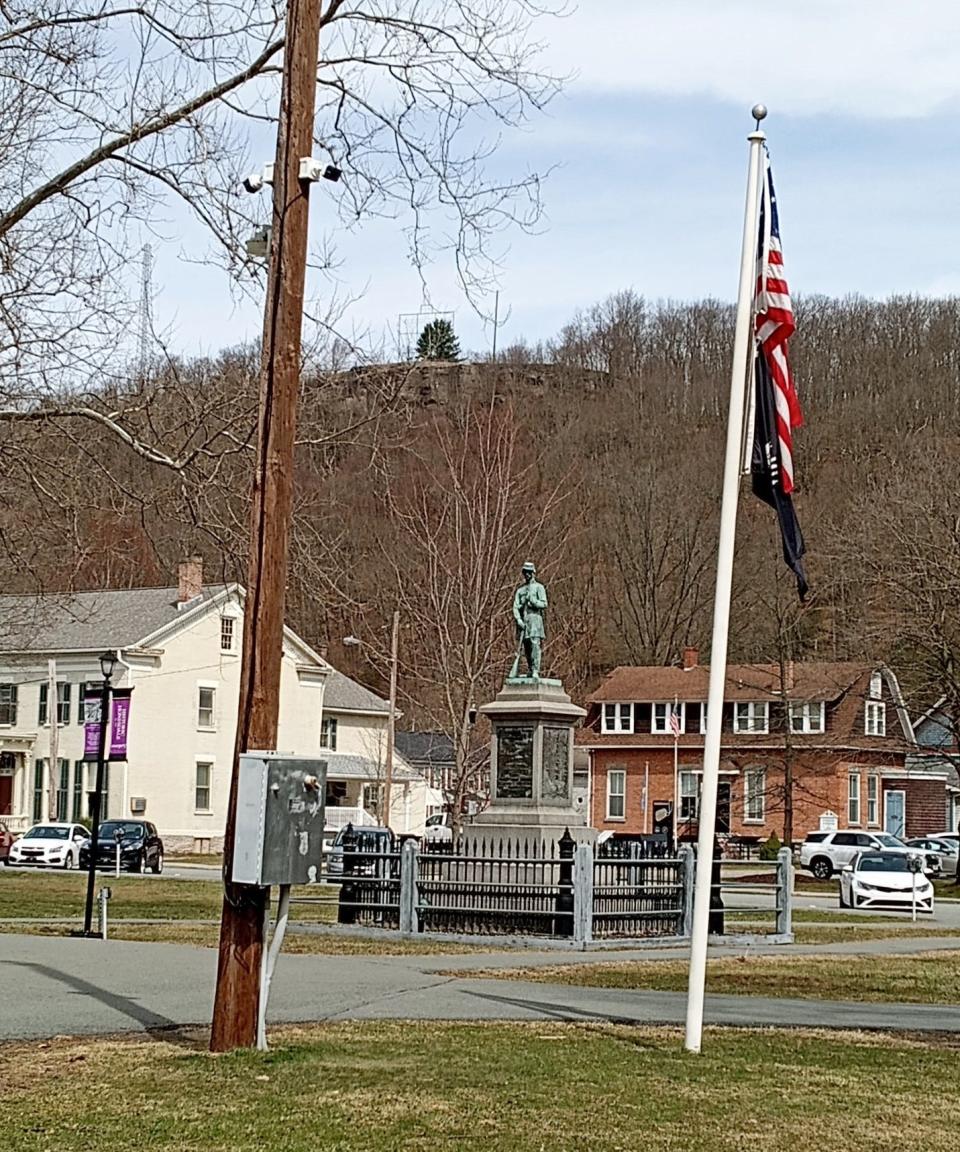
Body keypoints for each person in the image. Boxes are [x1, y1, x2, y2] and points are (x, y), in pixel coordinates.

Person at [509, 561, 547, 679]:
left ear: (533, 573)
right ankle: (530, 669)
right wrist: (519, 620)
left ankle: (535, 669)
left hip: (535, 620)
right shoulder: (520, 591)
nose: (527, 575)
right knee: (526, 647)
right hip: (523, 622)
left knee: (535, 645)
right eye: (525, 572)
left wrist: (533, 602)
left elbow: (544, 604)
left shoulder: (539, 588)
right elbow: (515, 606)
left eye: (529, 572)